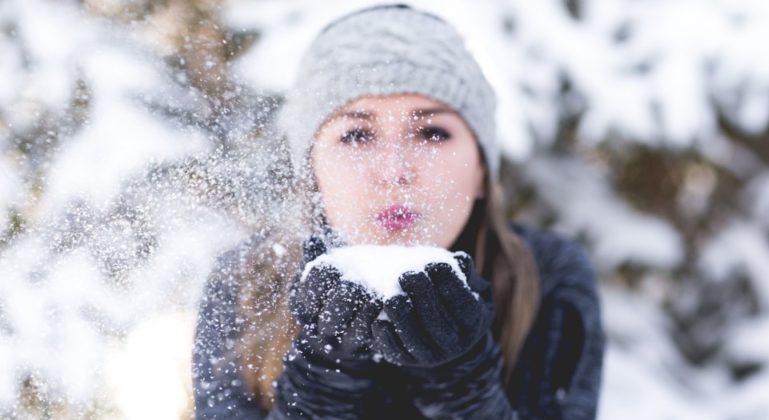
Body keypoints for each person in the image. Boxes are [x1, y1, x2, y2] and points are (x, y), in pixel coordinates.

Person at [192, 4, 604, 419]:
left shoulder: (545, 279)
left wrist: (463, 386)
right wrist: (323, 385)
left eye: (432, 132)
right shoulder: (247, 283)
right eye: (356, 134)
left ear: (482, 169)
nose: (394, 173)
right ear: (312, 170)